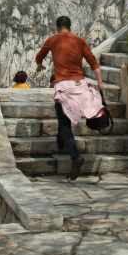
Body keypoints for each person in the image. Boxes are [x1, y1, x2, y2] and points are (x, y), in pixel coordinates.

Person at [35, 16, 105, 180]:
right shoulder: (80, 41)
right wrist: (100, 82)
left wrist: (39, 65)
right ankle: (60, 143)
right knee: (63, 119)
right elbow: (93, 62)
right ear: (71, 27)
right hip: (80, 85)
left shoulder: (52, 40)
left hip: (63, 87)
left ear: (56, 28)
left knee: (64, 123)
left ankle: (75, 156)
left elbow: (39, 57)